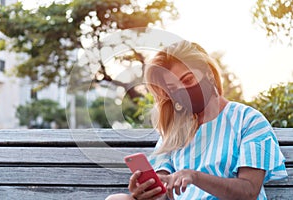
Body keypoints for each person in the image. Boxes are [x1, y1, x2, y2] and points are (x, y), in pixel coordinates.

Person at [106, 40, 288, 200]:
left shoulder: (248, 120)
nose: (183, 91)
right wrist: (147, 192)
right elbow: (162, 190)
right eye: (172, 88)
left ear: (208, 72)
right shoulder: (174, 131)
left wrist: (195, 177)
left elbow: (248, 191)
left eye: (188, 80)